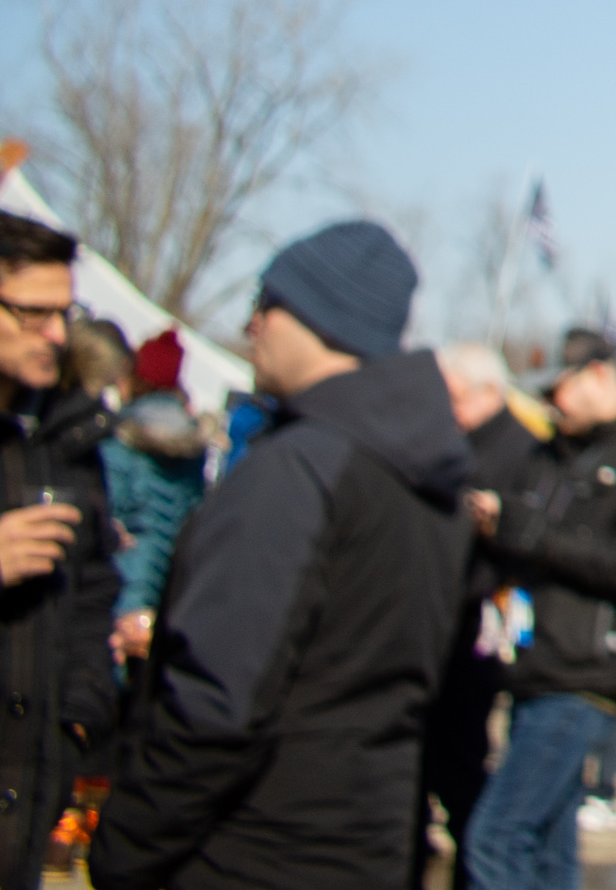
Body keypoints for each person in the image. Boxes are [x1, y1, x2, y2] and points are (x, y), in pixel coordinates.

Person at [93, 219, 472, 890]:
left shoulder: (298, 471)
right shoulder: (429, 478)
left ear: (312, 316)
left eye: (264, 305)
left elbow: (215, 703)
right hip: (367, 839)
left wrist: (126, 846)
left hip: (249, 851)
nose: (250, 328)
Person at [462, 326, 616, 890]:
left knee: (495, 838)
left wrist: (532, 534)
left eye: (557, 389)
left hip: (587, 671)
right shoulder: (561, 446)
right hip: (537, 660)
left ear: (597, 374)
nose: (550, 404)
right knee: (548, 845)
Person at [0, 206, 121, 886]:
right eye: (31, 313)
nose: (56, 335)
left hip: (23, 805)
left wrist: (81, 713)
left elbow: (94, 590)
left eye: (66, 313)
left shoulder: (69, 438)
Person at [414, 340, 548, 885]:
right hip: (434, 615)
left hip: (477, 622)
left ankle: (478, 866)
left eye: (458, 396)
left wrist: (496, 521)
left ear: (491, 392)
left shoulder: (525, 453)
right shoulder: (448, 440)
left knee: (459, 756)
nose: (451, 408)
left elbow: (533, 543)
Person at [100, 328, 209, 667]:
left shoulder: (122, 439)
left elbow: (111, 511)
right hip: (167, 590)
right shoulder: (194, 449)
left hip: (118, 581)